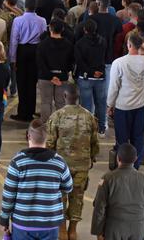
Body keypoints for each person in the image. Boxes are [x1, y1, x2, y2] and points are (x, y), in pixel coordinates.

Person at [0, 119, 73, 240]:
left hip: (23, 223)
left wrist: (4, 219)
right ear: (47, 137)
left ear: (28, 135)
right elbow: (68, 187)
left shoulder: (17, 162)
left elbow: (9, 195)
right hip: (50, 223)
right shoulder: (59, 162)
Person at [45, 85, 99, 240]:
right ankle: (73, 230)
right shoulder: (89, 116)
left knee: (60, 196)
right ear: (79, 97)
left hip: (61, 166)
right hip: (82, 164)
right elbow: (94, 142)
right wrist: (92, 157)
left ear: (64, 96)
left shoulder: (57, 116)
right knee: (78, 196)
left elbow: (50, 143)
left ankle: (62, 230)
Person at [107, 34, 144, 167]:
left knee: (122, 140)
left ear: (128, 45)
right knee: (138, 138)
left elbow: (114, 87)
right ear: (141, 45)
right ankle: (135, 166)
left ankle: (122, 166)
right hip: (140, 107)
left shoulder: (119, 63)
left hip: (123, 108)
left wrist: (110, 105)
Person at [91, 143, 144, 240]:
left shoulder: (107, 179)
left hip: (114, 228)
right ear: (135, 159)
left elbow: (99, 206)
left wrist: (98, 231)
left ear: (118, 158)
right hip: (138, 228)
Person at [10, 0, 48, 122]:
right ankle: (30, 111)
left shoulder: (18, 20)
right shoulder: (42, 20)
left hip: (22, 50)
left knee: (21, 83)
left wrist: (13, 59)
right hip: (36, 51)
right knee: (32, 83)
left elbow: (14, 40)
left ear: (25, 7)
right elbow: (44, 38)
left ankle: (22, 112)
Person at [36, 20, 74, 122]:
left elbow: (40, 63)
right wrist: (60, 74)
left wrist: (51, 76)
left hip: (45, 77)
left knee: (46, 102)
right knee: (61, 102)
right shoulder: (68, 45)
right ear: (62, 29)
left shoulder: (42, 45)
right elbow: (71, 63)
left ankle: (46, 127)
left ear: (50, 29)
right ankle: (60, 126)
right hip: (62, 77)